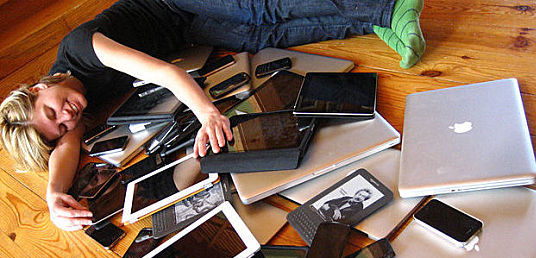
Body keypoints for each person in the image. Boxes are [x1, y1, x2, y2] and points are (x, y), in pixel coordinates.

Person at [0, 0, 425, 231]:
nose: (67, 117)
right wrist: (52, 194)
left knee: (260, 10)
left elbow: (164, 73)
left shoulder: (79, 48)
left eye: (53, 109)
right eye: (58, 126)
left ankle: (388, 8)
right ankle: (371, 20)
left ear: (38, 87)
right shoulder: (69, 119)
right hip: (184, 33)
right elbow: (68, 145)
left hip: (168, 4)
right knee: (265, 36)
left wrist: (207, 114)